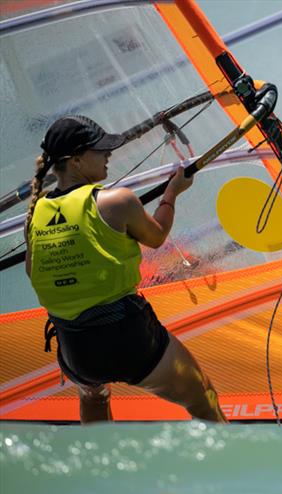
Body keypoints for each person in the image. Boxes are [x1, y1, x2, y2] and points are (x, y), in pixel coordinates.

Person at [24, 115, 227, 424]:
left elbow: (32, 271)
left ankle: (102, 467)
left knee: (94, 395)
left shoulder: (36, 214)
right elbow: (157, 236)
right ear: (76, 160)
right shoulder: (116, 201)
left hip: (76, 351)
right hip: (129, 341)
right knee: (201, 396)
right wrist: (172, 192)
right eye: (101, 149)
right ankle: (228, 461)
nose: (108, 155)